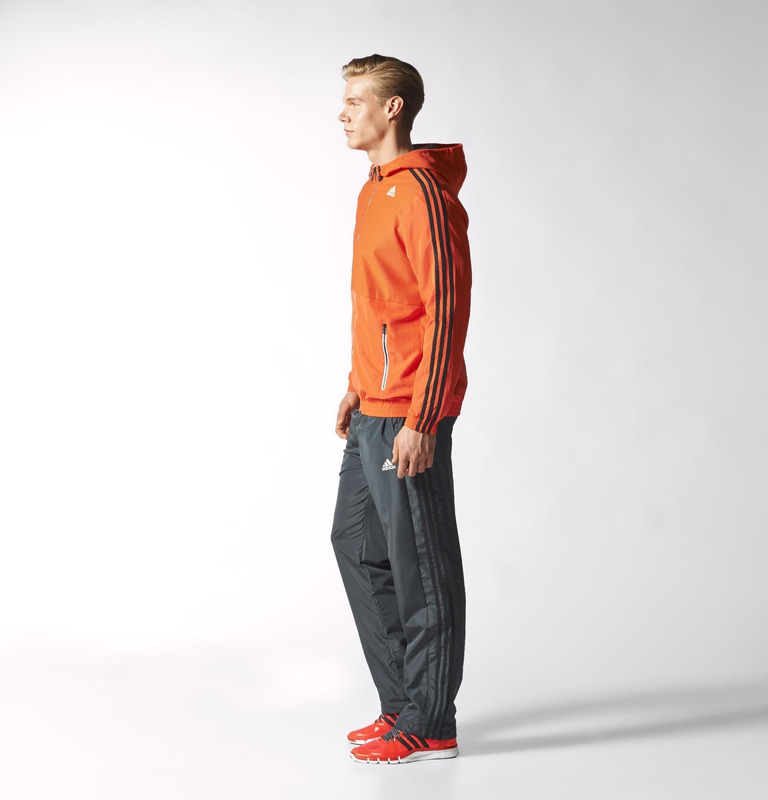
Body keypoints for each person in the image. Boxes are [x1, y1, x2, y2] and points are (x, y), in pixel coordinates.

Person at [330, 54, 472, 766]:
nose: (343, 113)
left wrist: (423, 417)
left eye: (356, 100)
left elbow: (446, 310)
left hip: (410, 410)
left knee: (421, 565)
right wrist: (357, 384)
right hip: (373, 404)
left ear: (393, 109)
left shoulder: (420, 193)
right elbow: (380, 305)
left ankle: (432, 722)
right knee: (356, 544)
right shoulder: (374, 190)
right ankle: (400, 705)